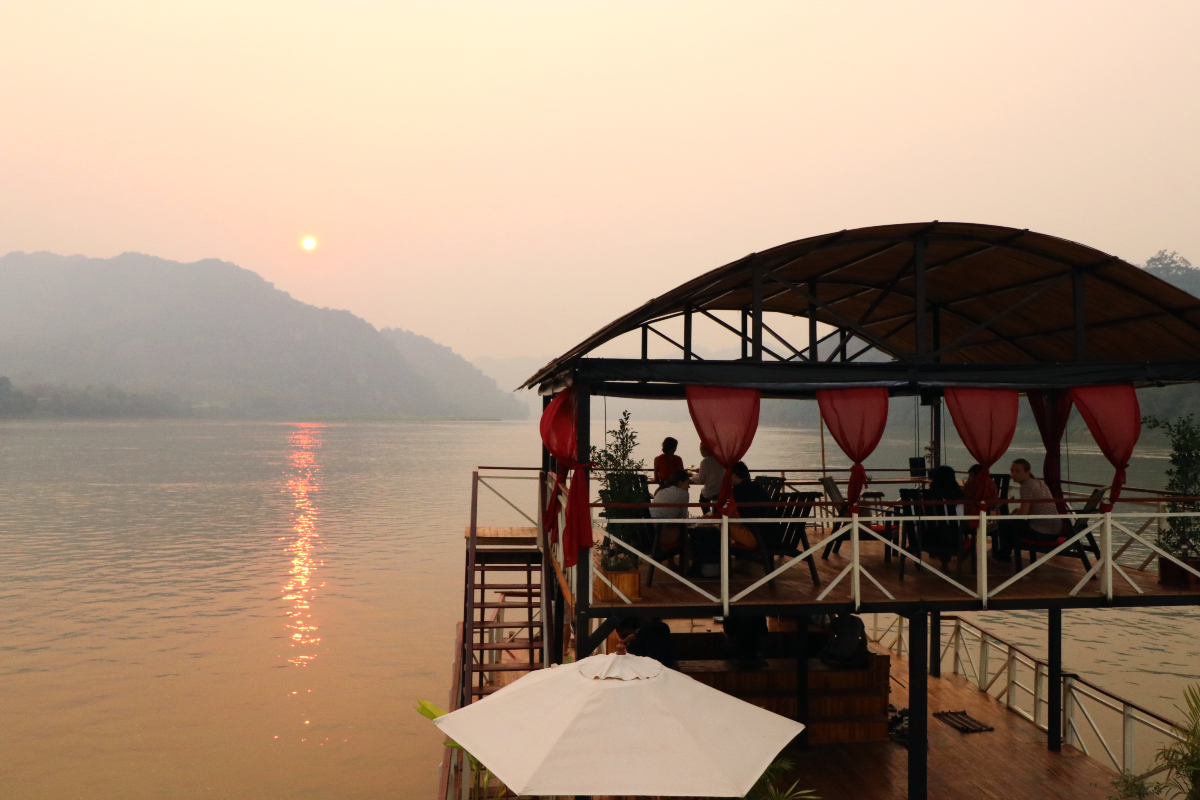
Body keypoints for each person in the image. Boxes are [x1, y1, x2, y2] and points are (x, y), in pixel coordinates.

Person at [999, 458, 1061, 559]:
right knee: (1010, 523)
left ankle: (1003, 556)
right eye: (1012, 471)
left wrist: (1012, 515)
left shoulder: (1027, 486)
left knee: (1004, 524)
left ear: (1027, 472)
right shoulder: (1038, 482)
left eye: (1017, 471)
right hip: (1054, 530)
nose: (1013, 474)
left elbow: (1022, 515)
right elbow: (1030, 510)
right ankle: (1004, 554)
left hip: (1043, 533)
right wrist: (1016, 513)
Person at [925, 464, 965, 568]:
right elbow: (960, 520)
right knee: (954, 528)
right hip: (953, 539)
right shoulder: (957, 496)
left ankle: (944, 560)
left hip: (928, 537)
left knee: (941, 529)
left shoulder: (928, 496)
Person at [730, 461, 775, 550]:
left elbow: (739, 515)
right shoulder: (757, 486)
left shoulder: (738, 490)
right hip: (771, 535)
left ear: (734, 475)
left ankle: (721, 559)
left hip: (756, 538)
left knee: (721, 525)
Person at [650, 469, 690, 551]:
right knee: (685, 533)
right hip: (660, 535)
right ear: (681, 482)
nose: (689, 486)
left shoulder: (661, 491)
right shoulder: (684, 493)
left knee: (672, 525)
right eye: (688, 483)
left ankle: (671, 563)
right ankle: (684, 562)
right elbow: (682, 518)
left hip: (648, 532)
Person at [691, 444, 725, 512]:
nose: (701, 452)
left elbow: (701, 480)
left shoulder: (705, 461)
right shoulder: (722, 459)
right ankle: (716, 514)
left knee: (703, 497)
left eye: (702, 451)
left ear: (707, 451)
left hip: (712, 490)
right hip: (723, 489)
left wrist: (692, 476)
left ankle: (706, 514)